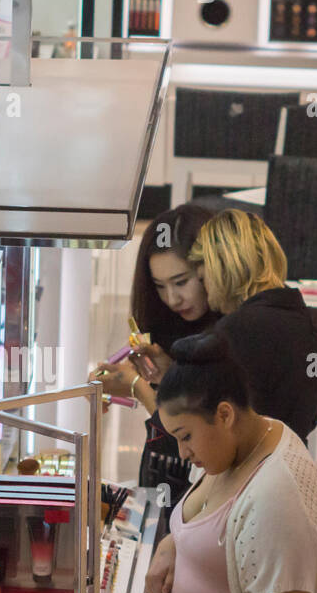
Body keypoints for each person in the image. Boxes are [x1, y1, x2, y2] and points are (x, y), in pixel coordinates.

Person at [144, 332, 317, 593]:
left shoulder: (276, 495)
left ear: (225, 415)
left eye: (186, 436)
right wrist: (173, 545)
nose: (182, 453)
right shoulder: (235, 444)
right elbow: (203, 522)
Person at [89, 204, 220, 500]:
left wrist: (136, 387)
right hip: (164, 477)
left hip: (195, 492)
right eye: (160, 286)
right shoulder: (168, 325)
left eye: (181, 282)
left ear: (209, 267)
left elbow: (191, 438)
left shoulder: (227, 336)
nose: (172, 298)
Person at [191, 208, 317, 443]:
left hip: (245, 473)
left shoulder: (233, 333)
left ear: (220, 268)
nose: (205, 292)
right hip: (294, 464)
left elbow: (201, 432)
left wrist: (137, 387)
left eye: (202, 278)